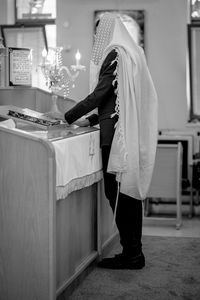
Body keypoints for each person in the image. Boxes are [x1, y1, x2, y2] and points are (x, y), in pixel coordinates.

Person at [47, 12, 158, 269]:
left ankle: (132, 254)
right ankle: (133, 251)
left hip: (116, 139)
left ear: (108, 32)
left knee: (118, 193)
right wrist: (91, 121)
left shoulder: (115, 54)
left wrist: (67, 116)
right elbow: (116, 102)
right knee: (127, 195)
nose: (97, 38)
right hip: (123, 133)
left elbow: (100, 95)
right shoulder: (129, 54)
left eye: (99, 33)